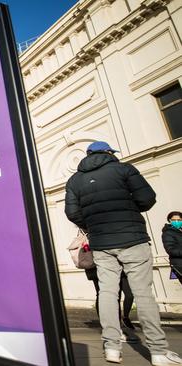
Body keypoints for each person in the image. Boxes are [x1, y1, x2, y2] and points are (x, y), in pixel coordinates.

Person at [65, 141, 181, 365]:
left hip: (101, 243)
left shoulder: (74, 180)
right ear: (108, 153)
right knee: (143, 294)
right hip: (133, 239)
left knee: (108, 293)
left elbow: (72, 212)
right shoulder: (124, 169)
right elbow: (147, 199)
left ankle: (111, 347)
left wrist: (91, 225)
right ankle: (158, 350)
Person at [162, 211, 182, 285]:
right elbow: (170, 250)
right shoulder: (168, 233)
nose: (176, 222)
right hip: (179, 265)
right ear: (169, 221)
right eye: (174, 220)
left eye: (179, 220)